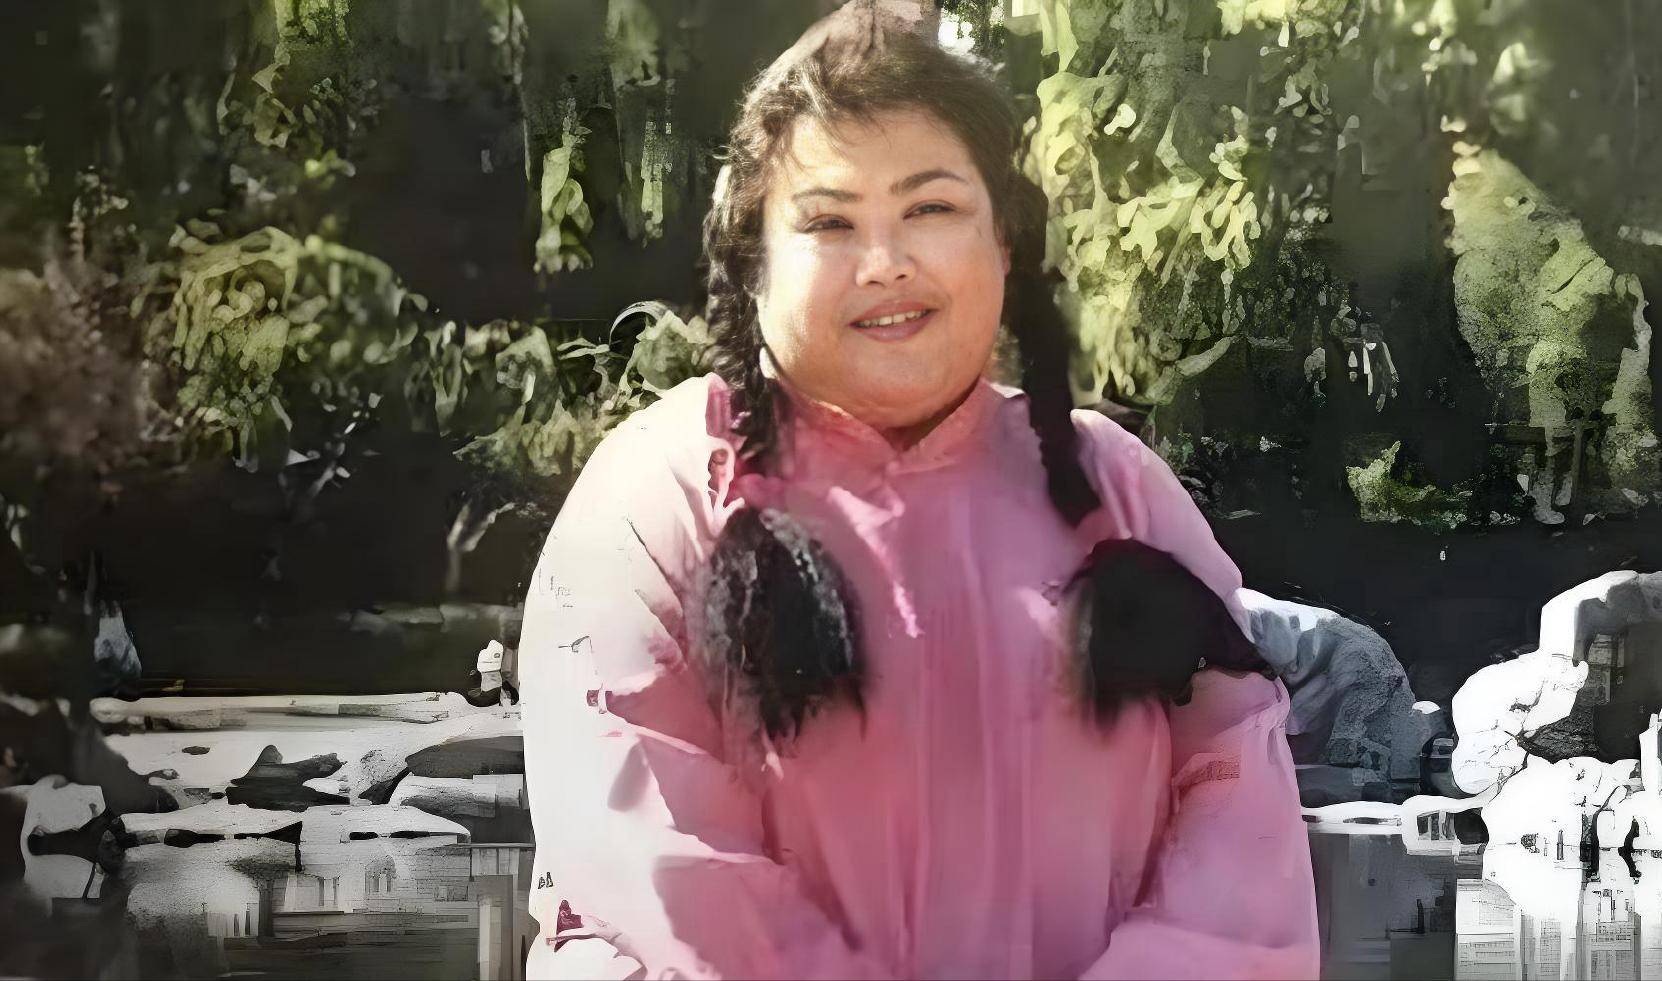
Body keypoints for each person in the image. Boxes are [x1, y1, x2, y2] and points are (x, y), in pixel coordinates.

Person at [519, 3, 1320, 978]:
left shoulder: (1120, 494)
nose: (886, 262)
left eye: (930, 209)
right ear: (752, 261)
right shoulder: (659, 499)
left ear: (1004, 239)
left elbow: (1239, 813)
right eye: (829, 221)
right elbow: (651, 861)